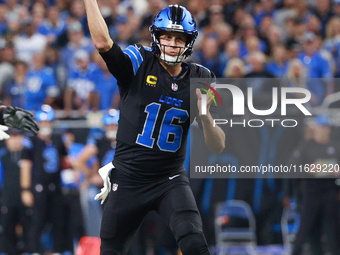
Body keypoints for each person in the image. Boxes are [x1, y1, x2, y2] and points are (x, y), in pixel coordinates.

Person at [84, 2, 225, 255]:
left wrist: (205, 116)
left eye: (178, 38)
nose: (172, 43)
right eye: (166, 36)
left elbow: (218, 144)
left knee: (194, 243)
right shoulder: (139, 61)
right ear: (155, 37)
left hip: (168, 180)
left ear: (189, 42)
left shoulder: (201, 78)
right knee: (110, 251)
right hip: (128, 178)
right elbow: (103, 44)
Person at [19, 104, 70, 254]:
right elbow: (26, 167)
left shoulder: (58, 139)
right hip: (38, 186)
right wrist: (25, 189)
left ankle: (58, 250)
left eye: (48, 122)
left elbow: (64, 161)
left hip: (56, 186)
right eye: (43, 122)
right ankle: (34, 250)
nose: (45, 125)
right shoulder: (31, 141)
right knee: (38, 221)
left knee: (58, 221)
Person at [289, 115, 340, 255]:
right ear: (315, 128)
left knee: (333, 230)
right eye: (321, 127)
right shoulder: (306, 146)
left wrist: (333, 170)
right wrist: (309, 170)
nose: (324, 130)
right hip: (311, 193)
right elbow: (294, 170)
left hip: (330, 192)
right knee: (307, 228)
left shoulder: (335, 146)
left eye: (326, 127)